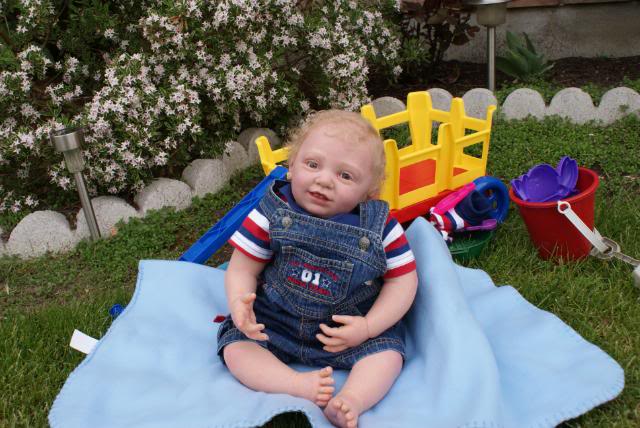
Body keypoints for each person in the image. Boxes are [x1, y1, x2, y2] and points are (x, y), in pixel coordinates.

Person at [217, 110, 418, 428]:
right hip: (275, 322)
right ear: (292, 164)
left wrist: (367, 328)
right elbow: (242, 268)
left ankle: (351, 399)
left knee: (387, 354)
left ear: (369, 191)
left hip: (346, 331)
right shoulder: (270, 213)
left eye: (345, 176)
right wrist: (241, 305)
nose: (324, 180)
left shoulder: (381, 229)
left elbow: (403, 282)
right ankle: (294, 385)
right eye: (313, 165)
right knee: (236, 348)